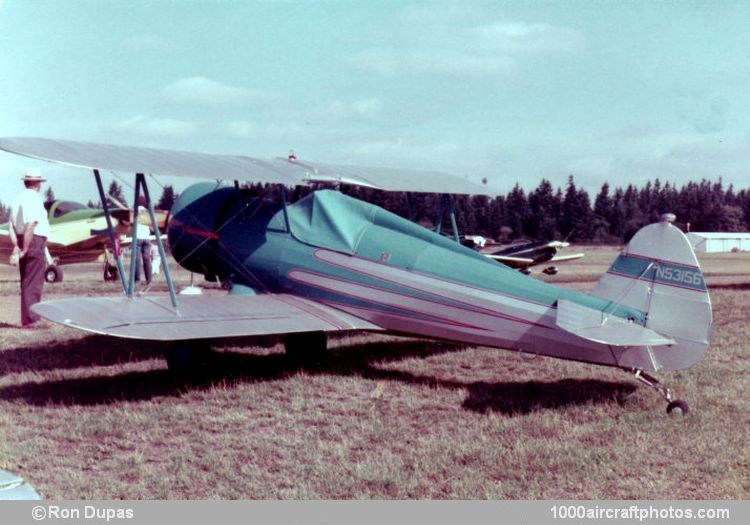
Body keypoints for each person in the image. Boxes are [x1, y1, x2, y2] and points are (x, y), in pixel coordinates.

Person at [8, 169, 51, 326]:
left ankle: (28, 318)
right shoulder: (34, 199)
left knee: (26, 280)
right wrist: (26, 248)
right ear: (38, 183)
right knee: (33, 281)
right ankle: (32, 320)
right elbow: (31, 225)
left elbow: (11, 227)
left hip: (21, 239)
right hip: (33, 240)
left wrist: (17, 246)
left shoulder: (16, 199)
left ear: (25, 182)